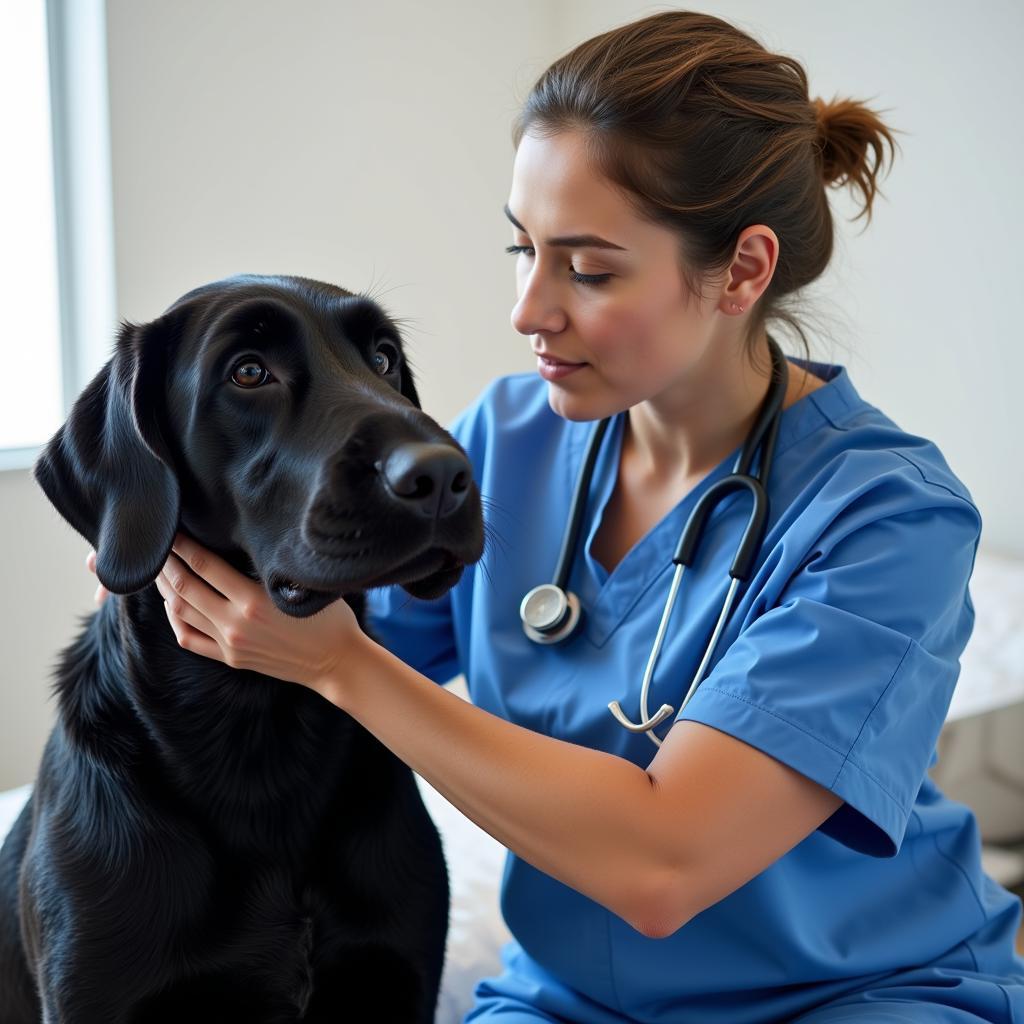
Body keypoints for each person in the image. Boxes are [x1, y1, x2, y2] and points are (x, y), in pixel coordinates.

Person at [89, 10, 1024, 1022]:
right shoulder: (501, 441)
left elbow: (664, 863)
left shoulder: (887, 516)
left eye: (586, 267)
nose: (527, 309)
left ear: (742, 271)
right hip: (570, 1000)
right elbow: (311, 647)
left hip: (858, 993)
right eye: (520, 247)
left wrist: (337, 663)